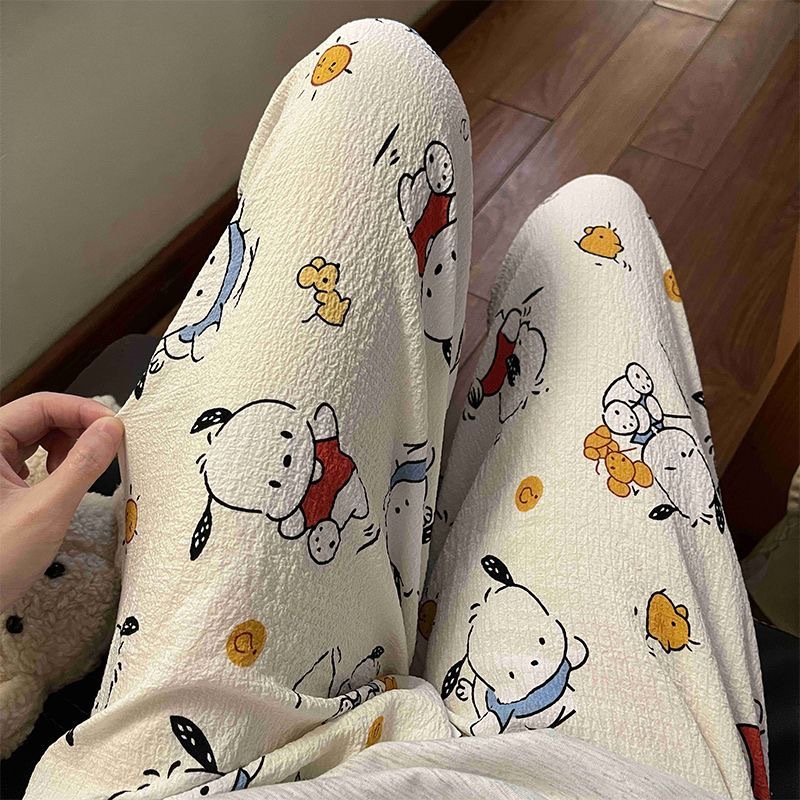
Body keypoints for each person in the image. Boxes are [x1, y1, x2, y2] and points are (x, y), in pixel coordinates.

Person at [3, 18, 767, 800]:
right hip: (621, 778)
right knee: (588, 231)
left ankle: (416, 539)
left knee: (430, 112)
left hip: (211, 770)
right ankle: (424, 530)